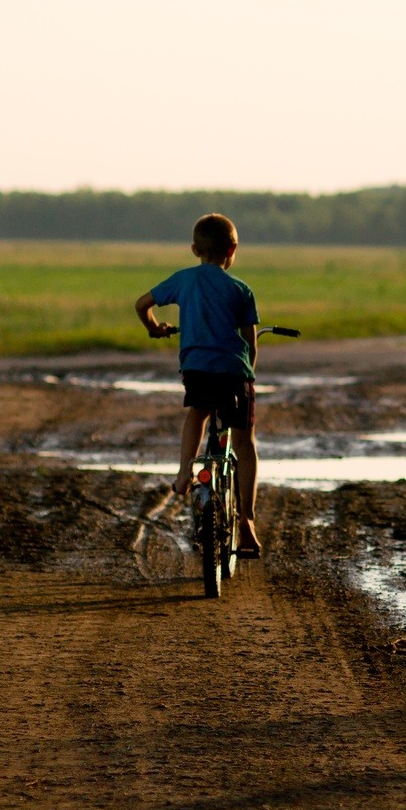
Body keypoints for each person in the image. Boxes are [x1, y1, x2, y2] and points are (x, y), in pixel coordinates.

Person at [133, 213, 265, 556]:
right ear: (232, 249)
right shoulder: (241, 290)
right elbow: (250, 344)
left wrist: (153, 328)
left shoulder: (183, 280)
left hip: (196, 370)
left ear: (194, 249)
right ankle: (247, 520)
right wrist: (248, 374)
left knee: (197, 413)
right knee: (244, 441)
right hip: (233, 374)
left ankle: (182, 474)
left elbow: (141, 304)